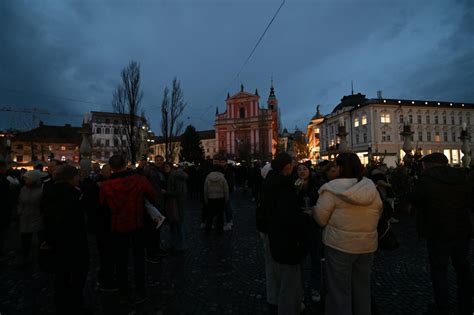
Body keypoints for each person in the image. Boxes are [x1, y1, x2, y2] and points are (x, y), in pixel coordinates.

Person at [313, 152, 382, 315]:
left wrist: (314, 211)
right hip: (367, 245)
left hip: (339, 246)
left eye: (336, 165)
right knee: (362, 289)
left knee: (338, 291)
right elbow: (378, 211)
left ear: (341, 167)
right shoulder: (370, 186)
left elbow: (321, 220)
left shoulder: (331, 189)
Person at [410, 153, 472, 315]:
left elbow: (414, 199)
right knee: (463, 269)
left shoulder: (425, 180)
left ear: (429, 165)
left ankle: (443, 306)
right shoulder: (463, 177)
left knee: (439, 270)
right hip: (461, 229)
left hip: (437, 231)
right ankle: (466, 304)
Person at [99, 155, 158, 303]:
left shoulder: (106, 186)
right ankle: (140, 289)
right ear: (126, 164)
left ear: (111, 168)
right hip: (137, 224)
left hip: (117, 226)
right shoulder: (140, 180)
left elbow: (102, 206)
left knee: (120, 260)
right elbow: (153, 196)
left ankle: (123, 289)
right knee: (139, 258)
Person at [264, 153, 310, 315]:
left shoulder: (271, 181)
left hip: (275, 236)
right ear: (286, 166)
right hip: (288, 240)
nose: (293, 167)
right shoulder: (284, 186)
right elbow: (289, 216)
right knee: (290, 282)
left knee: (280, 277)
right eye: (292, 164)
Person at [42, 165, 89, 314]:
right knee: (76, 278)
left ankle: (61, 305)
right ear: (69, 178)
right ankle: (75, 307)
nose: (79, 179)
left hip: (58, 244)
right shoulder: (71, 195)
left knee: (61, 278)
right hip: (73, 244)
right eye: (76, 176)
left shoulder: (50, 191)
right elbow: (73, 222)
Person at [295, 163, 322, 303]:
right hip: (300, 226)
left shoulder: (316, 186)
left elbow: (321, 203)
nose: (301, 171)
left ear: (309, 171)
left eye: (304, 169)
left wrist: (313, 210)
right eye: (299, 169)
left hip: (314, 226)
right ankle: (299, 290)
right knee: (300, 259)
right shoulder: (295, 185)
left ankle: (315, 288)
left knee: (315, 258)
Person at [17, 169, 47, 267]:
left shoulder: (42, 189)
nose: (25, 181)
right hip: (25, 216)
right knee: (25, 239)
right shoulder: (23, 188)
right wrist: (20, 212)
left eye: (26, 179)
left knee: (40, 239)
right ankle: (25, 257)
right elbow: (20, 201)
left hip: (37, 216)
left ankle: (41, 259)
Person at [165, 165, 188, 252]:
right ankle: (175, 244)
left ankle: (181, 245)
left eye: (167, 167)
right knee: (174, 225)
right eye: (165, 167)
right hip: (175, 203)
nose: (166, 169)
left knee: (178, 225)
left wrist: (166, 192)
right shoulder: (174, 175)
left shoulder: (175, 176)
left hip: (177, 204)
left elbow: (179, 191)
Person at [203, 164, 229, 235]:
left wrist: (206, 199)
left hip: (211, 198)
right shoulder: (222, 178)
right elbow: (226, 190)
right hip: (221, 198)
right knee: (220, 216)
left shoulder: (208, 177)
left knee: (210, 215)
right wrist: (226, 199)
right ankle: (220, 231)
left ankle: (207, 230)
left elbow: (205, 190)